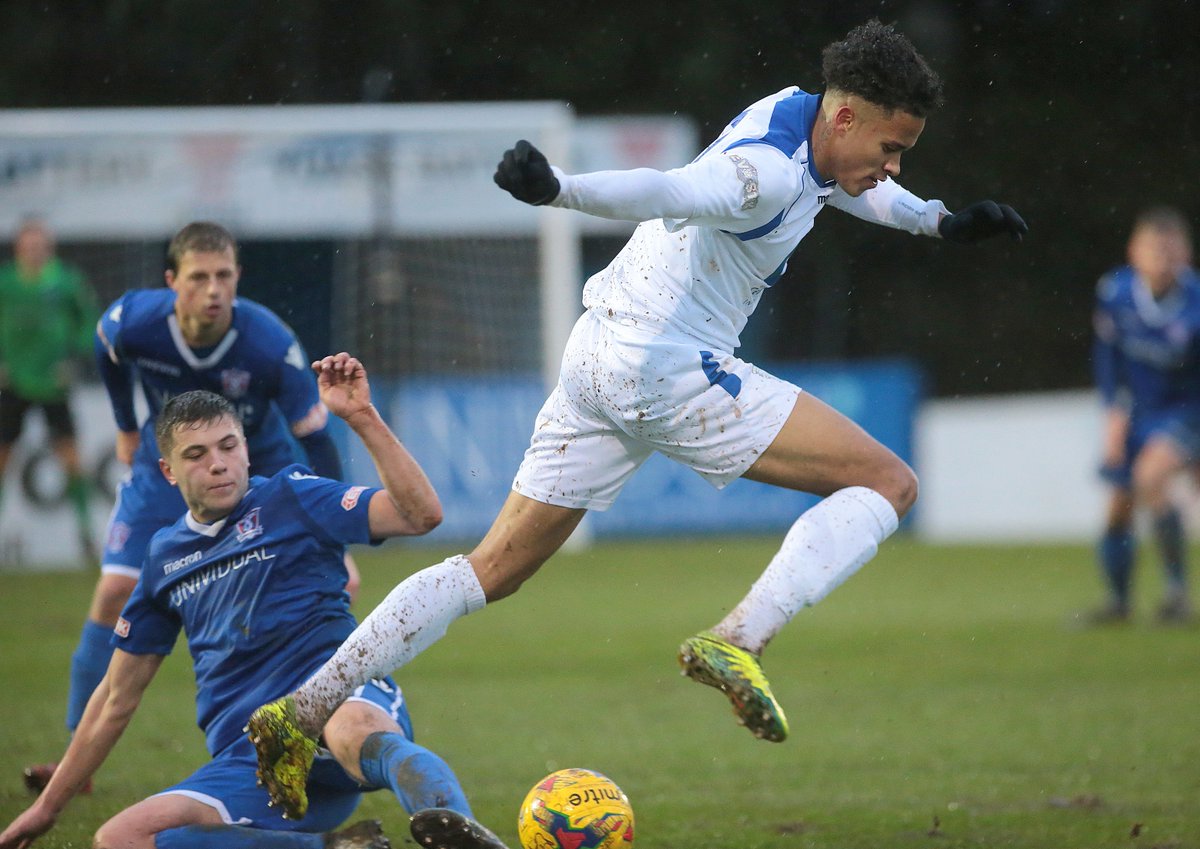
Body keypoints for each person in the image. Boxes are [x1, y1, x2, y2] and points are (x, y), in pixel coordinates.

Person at [246, 19, 1029, 823]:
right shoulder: (760, 172)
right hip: (669, 368)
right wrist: (561, 191)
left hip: (597, 357)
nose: (894, 166)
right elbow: (671, 189)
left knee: (492, 568)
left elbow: (852, 186)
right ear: (847, 119)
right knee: (889, 482)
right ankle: (740, 638)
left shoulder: (805, 124)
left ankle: (299, 712)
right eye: (892, 147)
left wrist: (937, 220)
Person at [0, 357, 509, 849]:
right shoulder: (164, 557)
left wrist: (361, 417)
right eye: (196, 454)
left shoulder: (291, 497)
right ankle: (336, 847)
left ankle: (459, 831)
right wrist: (47, 808)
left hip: (335, 704)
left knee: (353, 727)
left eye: (227, 446)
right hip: (252, 759)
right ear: (168, 471)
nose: (217, 463)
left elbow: (420, 515)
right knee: (119, 838)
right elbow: (116, 697)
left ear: (246, 449)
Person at [23, 221, 363, 794]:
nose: (213, 289)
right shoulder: (131, 321)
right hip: (169, 466)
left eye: (224, 276)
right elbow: (106, 354)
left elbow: (317, 437)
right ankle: (73, 761)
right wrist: (127, 426)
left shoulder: (268, 343)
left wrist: (334, 533)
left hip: (262, 466)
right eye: (199, 277)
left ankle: (297, 740)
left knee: (306, 594)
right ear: (171, 281)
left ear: (237, 278)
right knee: (111, 593)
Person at [1090, 206, 1198, 623]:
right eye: (1154, 247)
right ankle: (1118, 603)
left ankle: (1175, 594)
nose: (1163, 257)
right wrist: (1113, 412)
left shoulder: (1196, 303)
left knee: (1151, 476)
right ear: (1134, 251)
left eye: (1171, 249)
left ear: (1186, 253)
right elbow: (1107, 358)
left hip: (1186, 412)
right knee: (1119, 505)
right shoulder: (1115, 293)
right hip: (1136, 412)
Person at [0, 217, 100, 564]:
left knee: (72, 460)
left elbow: (88, 322)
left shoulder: (67, 281)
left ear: (49, 248)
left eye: (40, 245)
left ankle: (86, 535)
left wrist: (74, 358)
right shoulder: (6, 282)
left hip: (53, 386)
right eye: (29, 245)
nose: (35, 251)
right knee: (3, 460)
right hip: (13, 385)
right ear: (18, 248)